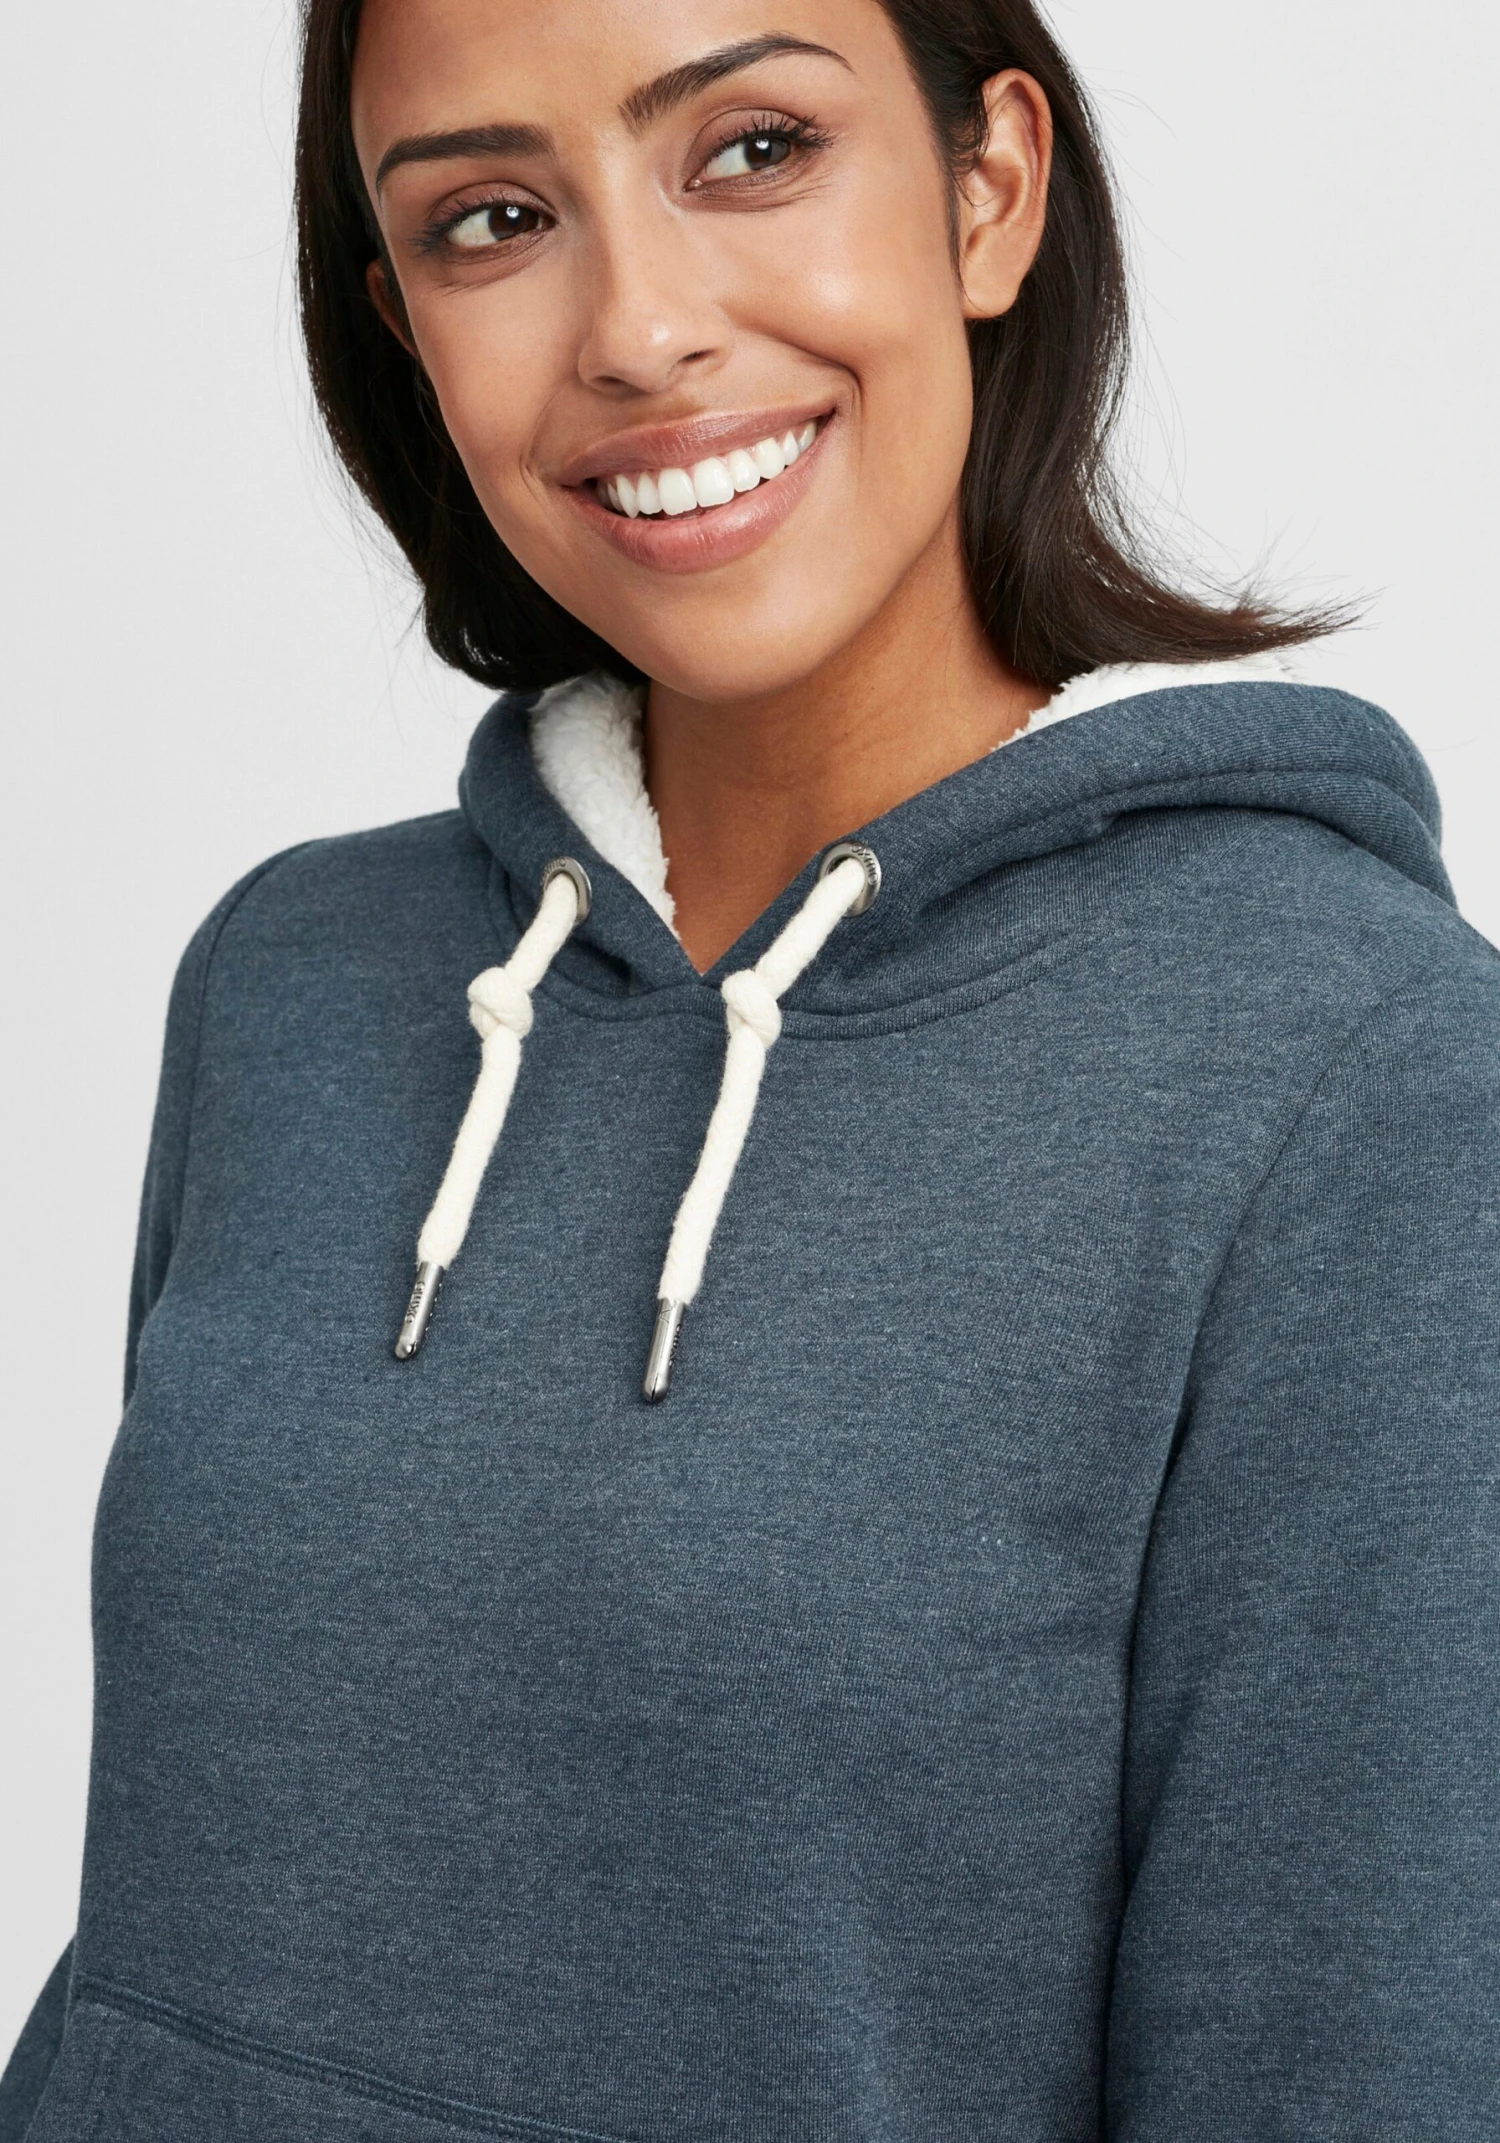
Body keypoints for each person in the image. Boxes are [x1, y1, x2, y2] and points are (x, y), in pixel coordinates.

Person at [5, 0, 1498, 2135]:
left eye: (753, 149)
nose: (637, 330)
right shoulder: (297, 981)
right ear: (403, 322)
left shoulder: (1362, 1080)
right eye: (491, 219)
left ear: (991, 187)